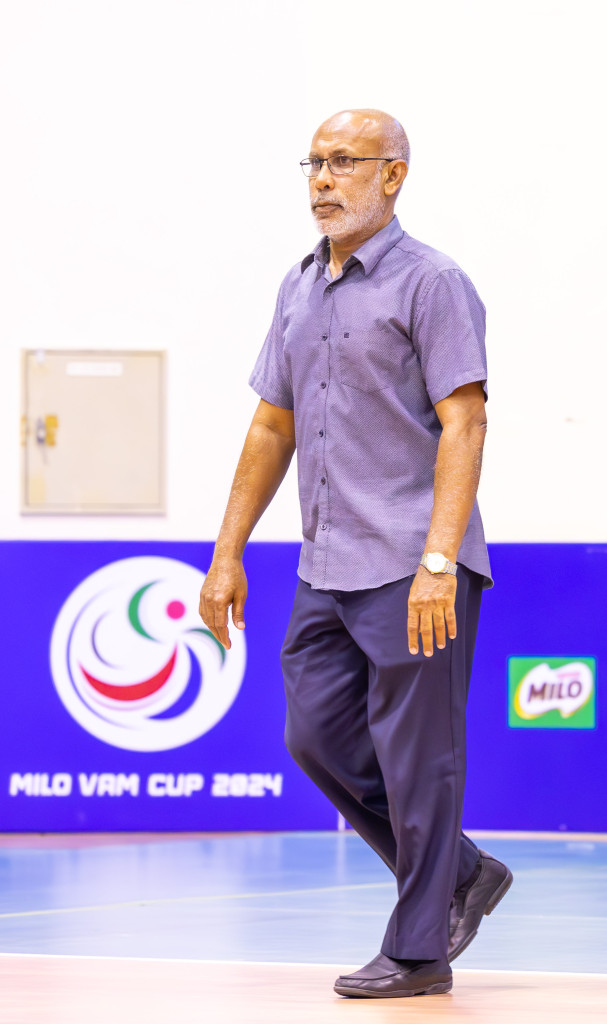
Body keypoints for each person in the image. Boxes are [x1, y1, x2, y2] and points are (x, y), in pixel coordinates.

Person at [198, 109, 511, 997]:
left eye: (344, 163)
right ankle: (461, 872)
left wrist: (440, 561)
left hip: (415, 563)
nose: (323, 181)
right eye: (315, 164)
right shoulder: (298, 286)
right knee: (316, 736)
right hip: (323, 566)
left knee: (421, 760)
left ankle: (418, 950)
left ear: (395, 174)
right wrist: (227, 555)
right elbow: (271, 423)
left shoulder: (433, 282)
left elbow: (466, 420)